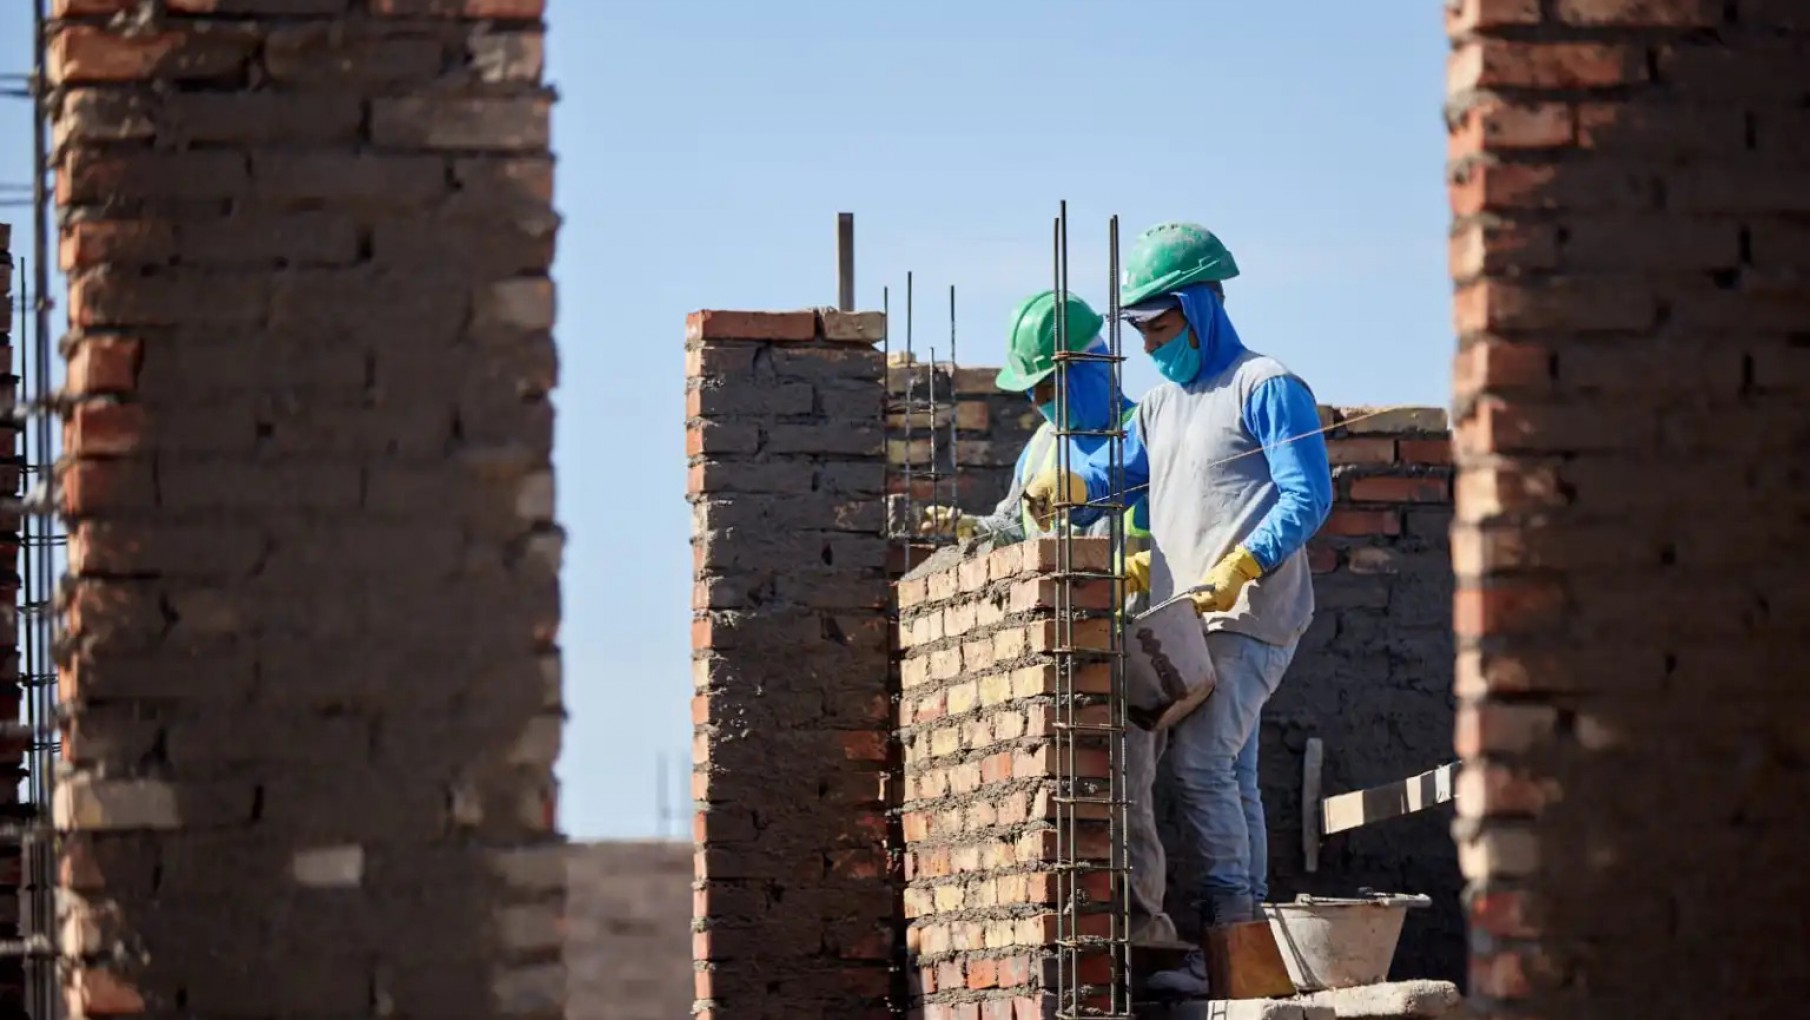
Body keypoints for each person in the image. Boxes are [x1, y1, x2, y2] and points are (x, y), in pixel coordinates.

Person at [1025, 222, 1333, 997]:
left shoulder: (1265, 386)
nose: (1155, 344)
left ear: (1199, 308)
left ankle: (1230, 932)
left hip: (1251, 613)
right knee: (1231, 770)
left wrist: (1244, 563)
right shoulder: (1161, 406)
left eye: (1162, 327)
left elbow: (1309, 494)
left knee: (1199, 764)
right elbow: (1126, 478)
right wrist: (1076, 489)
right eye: (1143, 332)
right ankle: (1252, 952)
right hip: (1186, 621)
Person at [920, 290, 1180, 949]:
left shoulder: (1148, 430)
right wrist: (972, 532)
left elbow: (1167, 514)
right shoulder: (1039, 448)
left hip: (1125, 646)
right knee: (1050, 806)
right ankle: (1067, 938)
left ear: (1090, 366)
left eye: (1049, 386)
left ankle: (1144, 935)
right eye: (1032, 392)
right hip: (1044, 657)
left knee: (1124, 793)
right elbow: (1013, 528)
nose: (1040, 403)